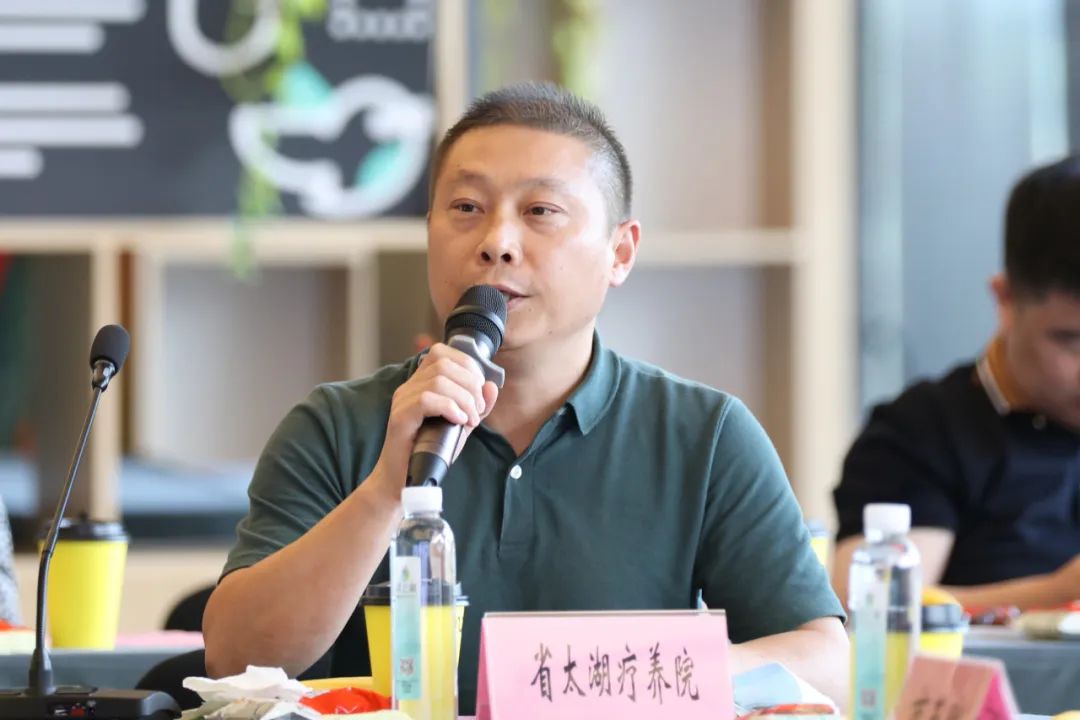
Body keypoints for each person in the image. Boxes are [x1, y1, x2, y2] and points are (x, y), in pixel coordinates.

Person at [203, 82, 847, 712]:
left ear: (620, 251)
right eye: (466, 208)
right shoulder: (335, 425)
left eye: (540, 211)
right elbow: (234, 660)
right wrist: (383, 494)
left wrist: (638, 677)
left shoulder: (703, 434)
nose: (497, 242)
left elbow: (827, 662)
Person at [833, 155, 1080, 612]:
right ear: (1005, 299)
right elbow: (872, 607)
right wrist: (1056, 594)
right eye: (1071, 340)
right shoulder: (924, 433)